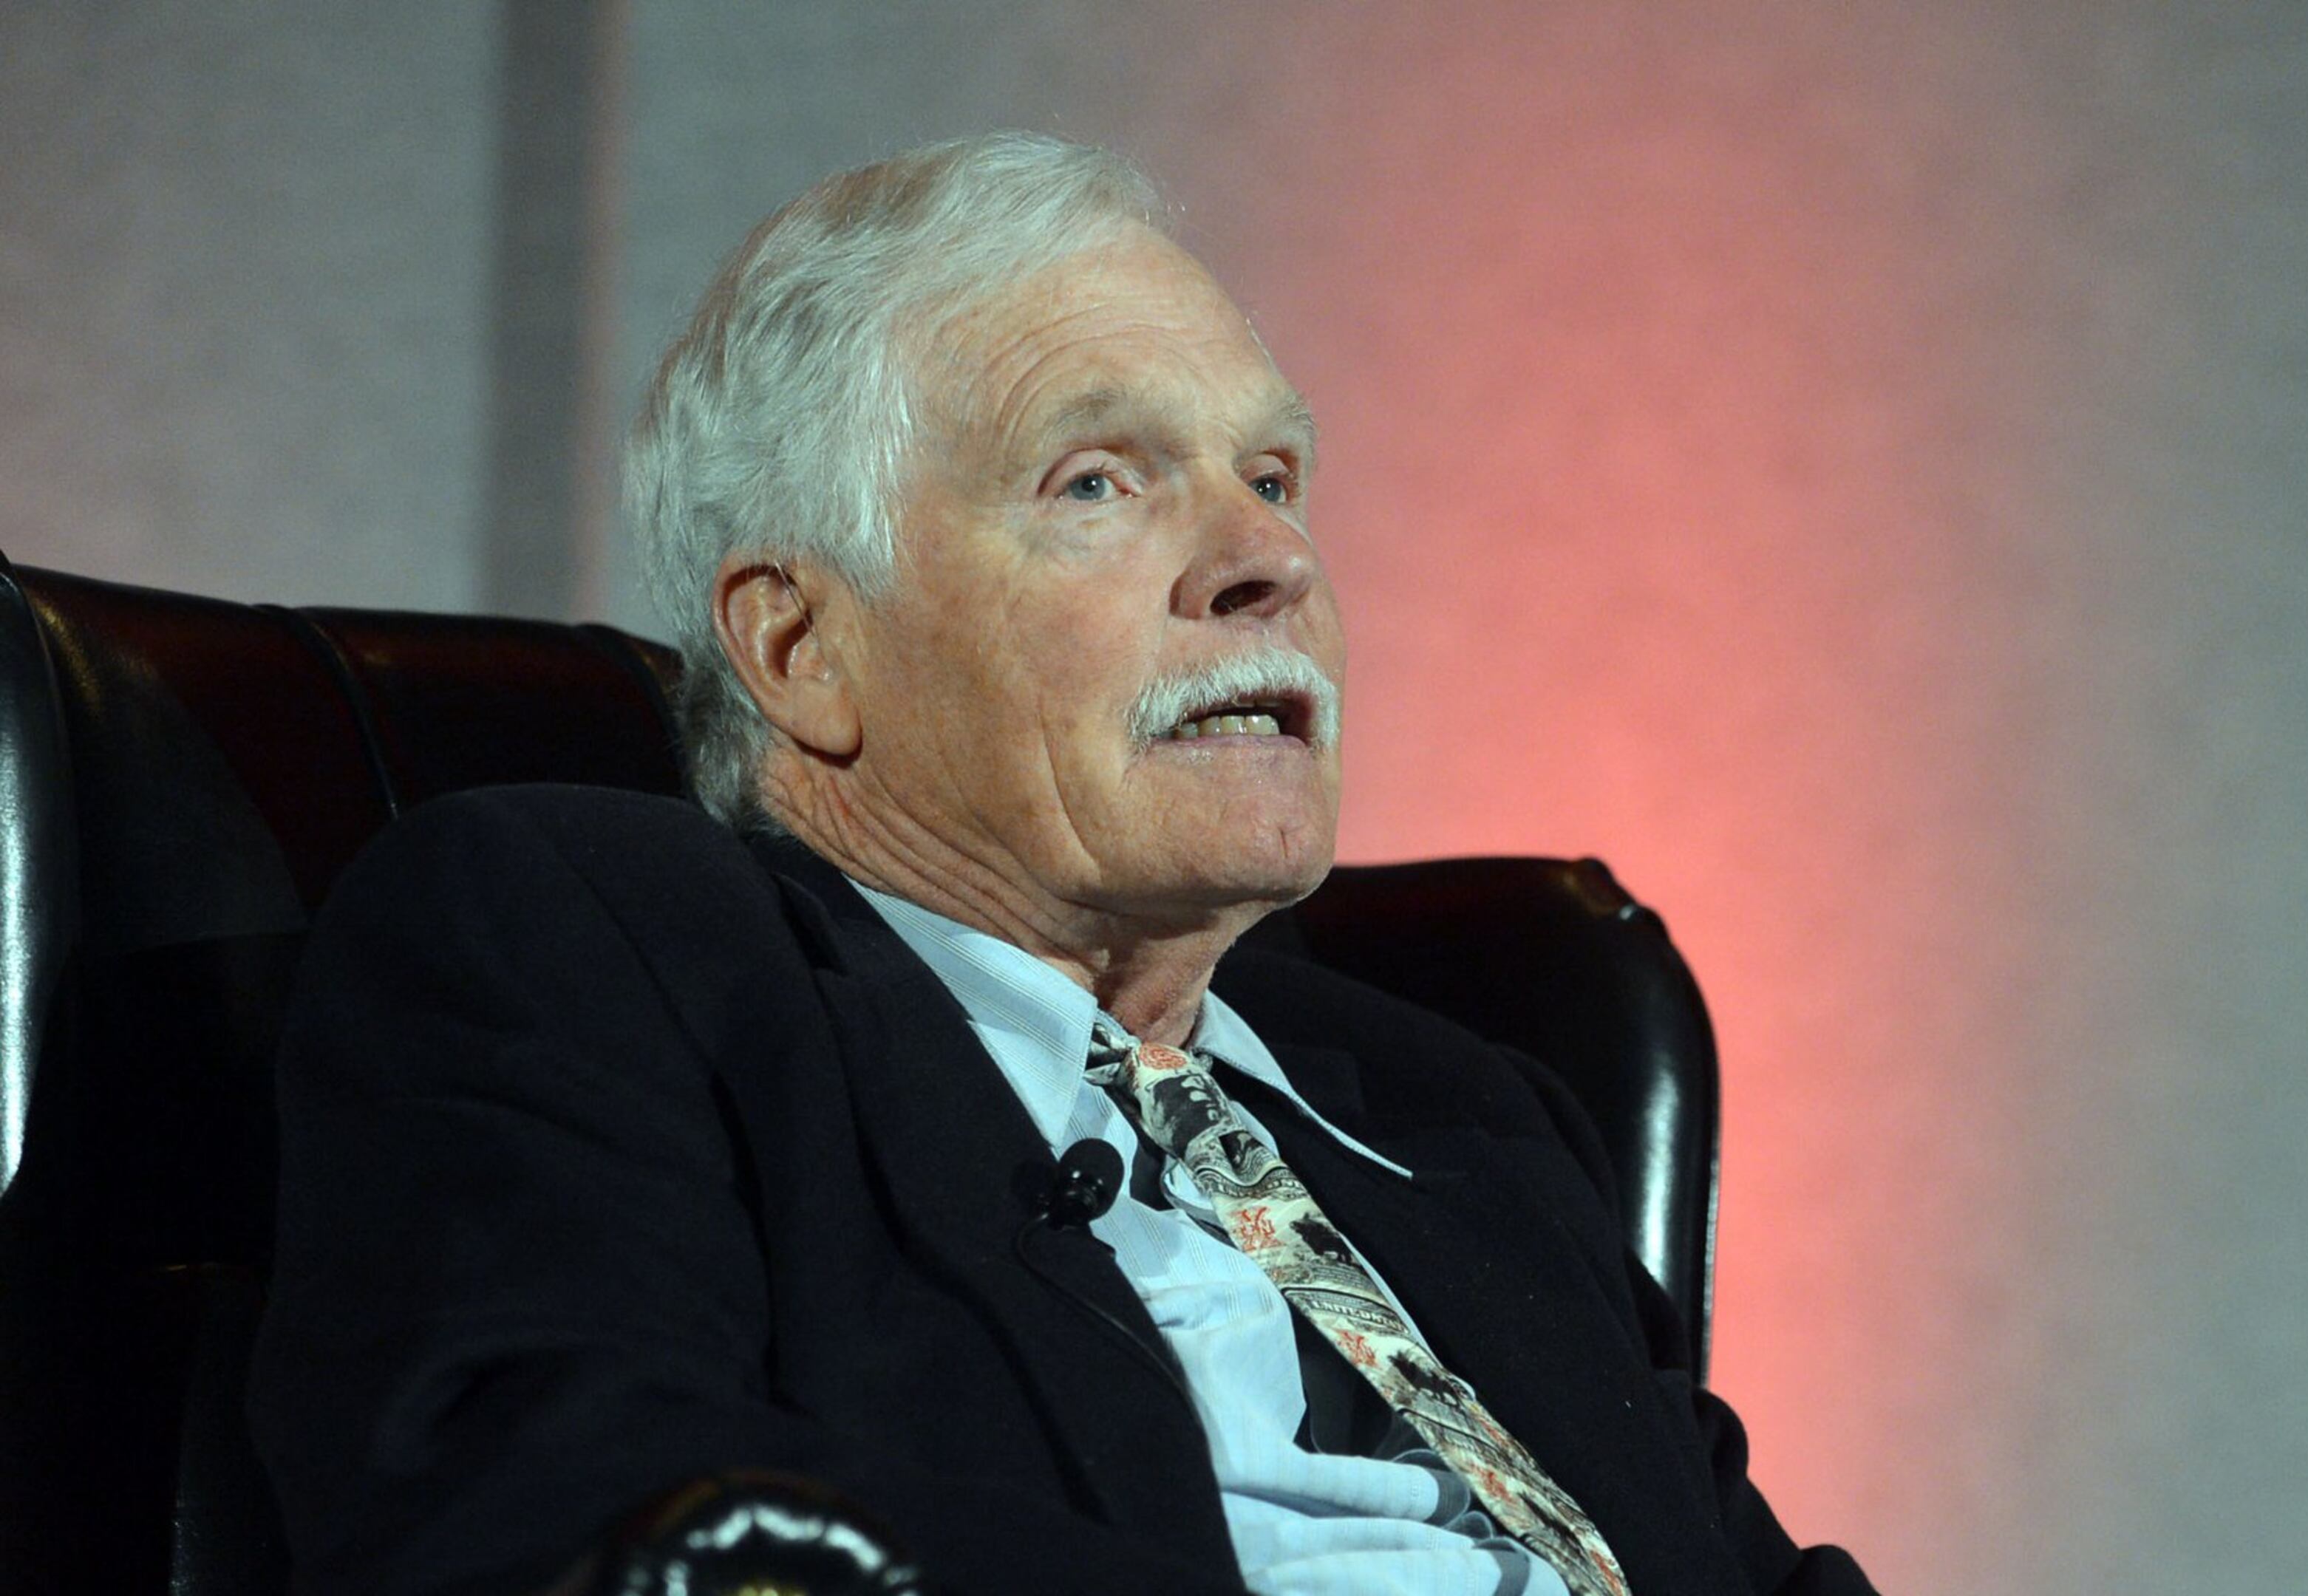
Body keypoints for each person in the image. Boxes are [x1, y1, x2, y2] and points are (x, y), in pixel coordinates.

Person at [250, 132, 1874, 1596]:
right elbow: (565, 1503)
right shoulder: (595, 950)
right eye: (1097, 482)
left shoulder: (1468, 1117)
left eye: (1274, 478)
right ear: (802, 646)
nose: (1271, 565)